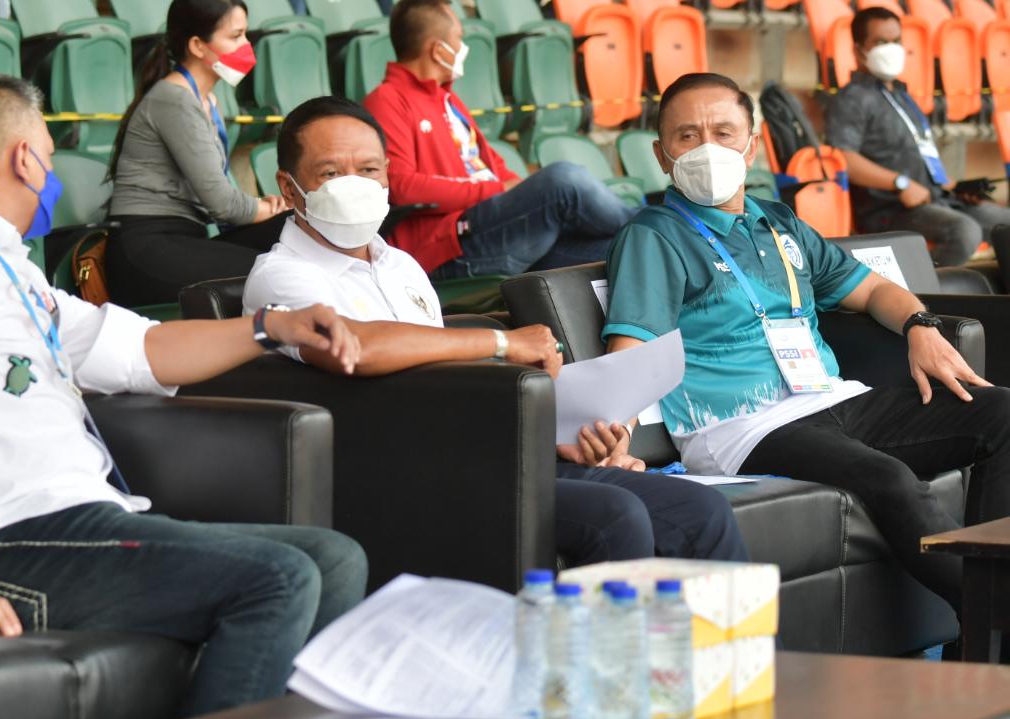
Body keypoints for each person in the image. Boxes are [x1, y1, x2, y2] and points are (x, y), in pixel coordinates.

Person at [0, 73, 367, 718]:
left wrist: (272, 327)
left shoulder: (3, 265)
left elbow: (140, 349)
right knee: (279, 578)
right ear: (24, 159)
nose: (50, 177)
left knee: (333, 559)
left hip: (77, 521)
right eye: (49, 158)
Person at [243, 96, 748, 566]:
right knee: (615, 515)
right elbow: (354, 347)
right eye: (331, 173)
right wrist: (502, 342)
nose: (353, 184)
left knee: (699, 510)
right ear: (289, 188)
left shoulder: (399, 266)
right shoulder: (281, 276)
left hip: (481, 450)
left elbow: (443, 377)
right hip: (398, 473)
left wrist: (554, 438)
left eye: (369, 169)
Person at [604, 72, 1010, 615]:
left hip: (831, 397)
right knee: (888, 477)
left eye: (723, 133)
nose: (707, 149)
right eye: (687, 136)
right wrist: (616, 433)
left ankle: (986, 606)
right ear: (662, 155)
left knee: (1002, 413)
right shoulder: (654, 235)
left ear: (751, 146)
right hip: (742, 427)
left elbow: (874, 290)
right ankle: (995, 616)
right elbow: (634, 349)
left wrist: (920, 326)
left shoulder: (779, 223)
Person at [362, 0, 637, 280]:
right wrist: (496, 190)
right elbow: (401, 186)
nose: (463, 47)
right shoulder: (386, 100)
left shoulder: (449, 100)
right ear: (438, 50)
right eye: (459, 37)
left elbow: (495, 168)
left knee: (618, 251)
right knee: (563, 179)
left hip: (495, 225)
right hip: (450, 242)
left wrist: (519, 193)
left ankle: (650, 235)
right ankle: (648, 225)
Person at [105, 0, 291, 306]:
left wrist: (270, 210)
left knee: (292, 230)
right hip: (146, 246)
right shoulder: (174, 99)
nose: (246, 46)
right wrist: (267, 208)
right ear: (197, 46)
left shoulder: (208, 101)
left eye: (245, 35)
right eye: (235, 36)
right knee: (273, 271)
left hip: (185, 237)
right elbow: (222, 204)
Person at [826, 7, 1010, 266]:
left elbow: (922, 153)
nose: (891, 49)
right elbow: (844, 158)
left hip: (937, 199)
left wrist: (954, 187)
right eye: (880, 42)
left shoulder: (902, 96)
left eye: (896, 41)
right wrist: (899, 183)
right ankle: (924, 289)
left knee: (1005, 222)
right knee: (963, 231)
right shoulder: (852, 99)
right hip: (891, 210)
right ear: (858, 51)